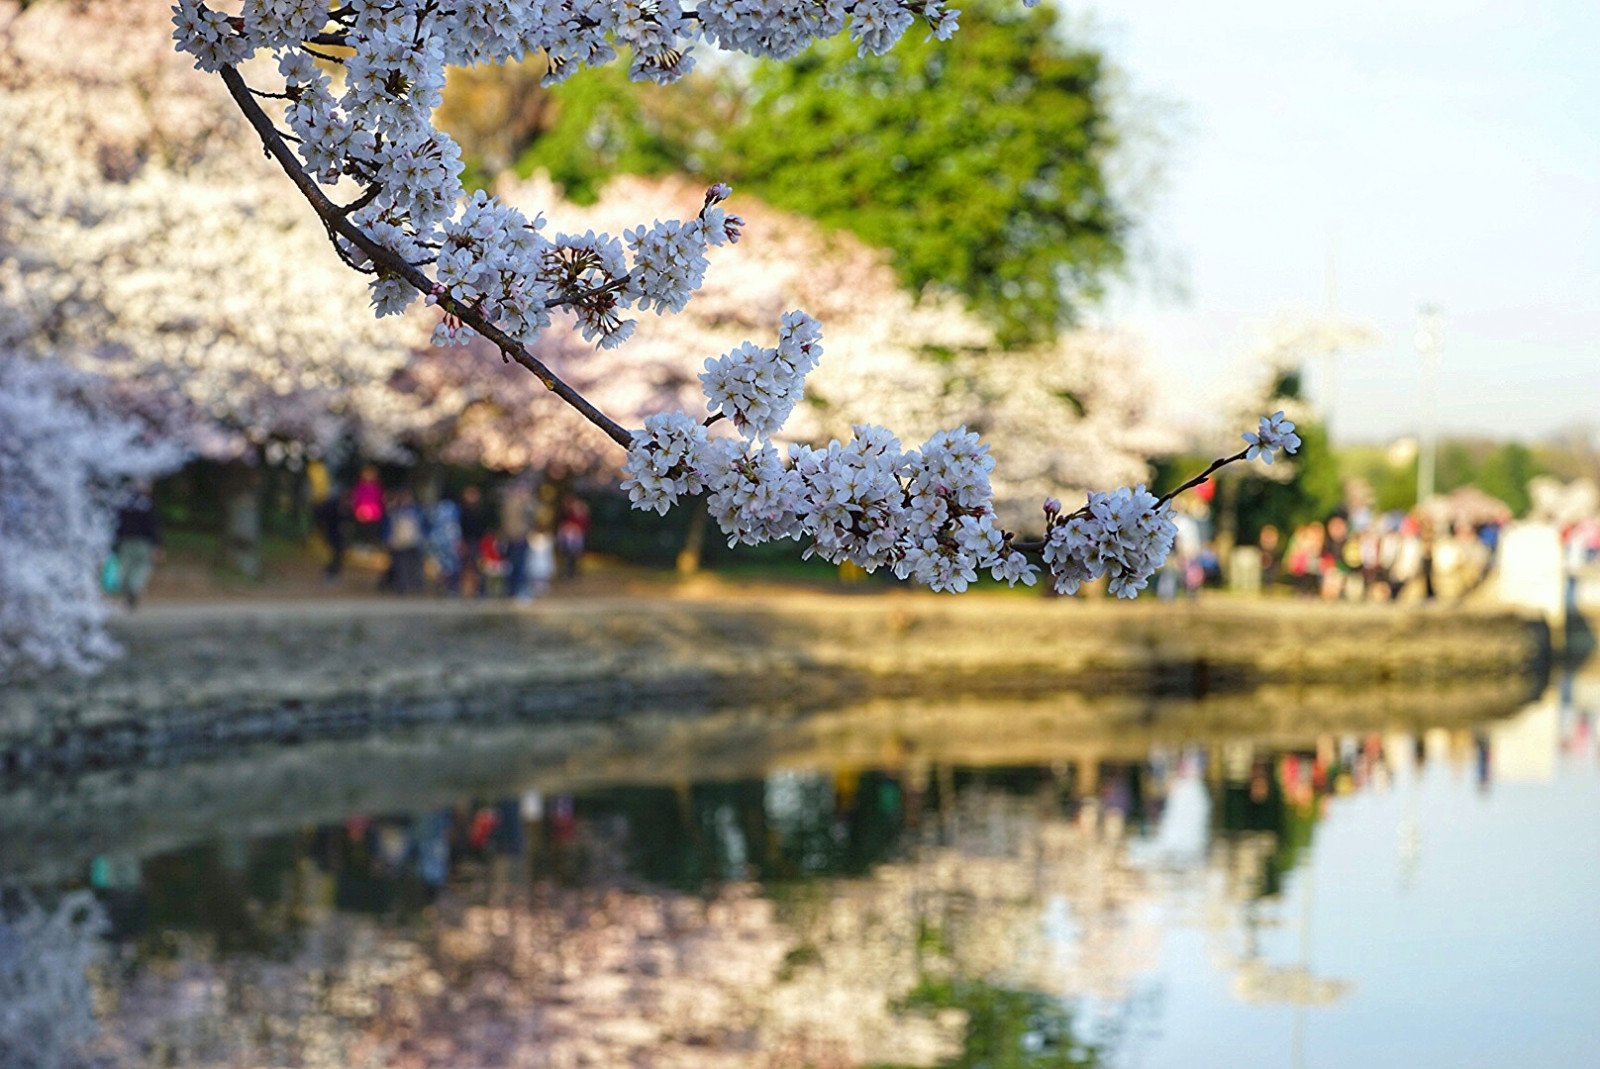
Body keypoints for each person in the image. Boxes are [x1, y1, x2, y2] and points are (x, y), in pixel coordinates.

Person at [113, 480, 162, 609]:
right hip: (143, 542)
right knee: (141, 568)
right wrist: (157, 545)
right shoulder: (147, 504)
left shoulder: (124, 502)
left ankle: (127, 593)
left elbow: (116, 523)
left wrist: (115, 543)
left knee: (126, 568)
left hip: (126, 541)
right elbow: (154, 526)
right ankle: (134, 591)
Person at [384, 488, 428, 595]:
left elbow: (425, 525)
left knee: (414, 565)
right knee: (400, 565)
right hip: (398, 543)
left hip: (415, 542)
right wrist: (387, 539)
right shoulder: (394, 511)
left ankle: (414, 585)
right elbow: (387, 526)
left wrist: (424, 538)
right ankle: (402, 586)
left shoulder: (418, 511)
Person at [556, 494, 590, 580]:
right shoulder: (566, 512)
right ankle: (568, 572)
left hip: (575, 536)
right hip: (567, 536)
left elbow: (584, 524)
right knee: (566, 554)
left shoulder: (580, 511)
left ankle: (573, 572)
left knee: (574, 555)